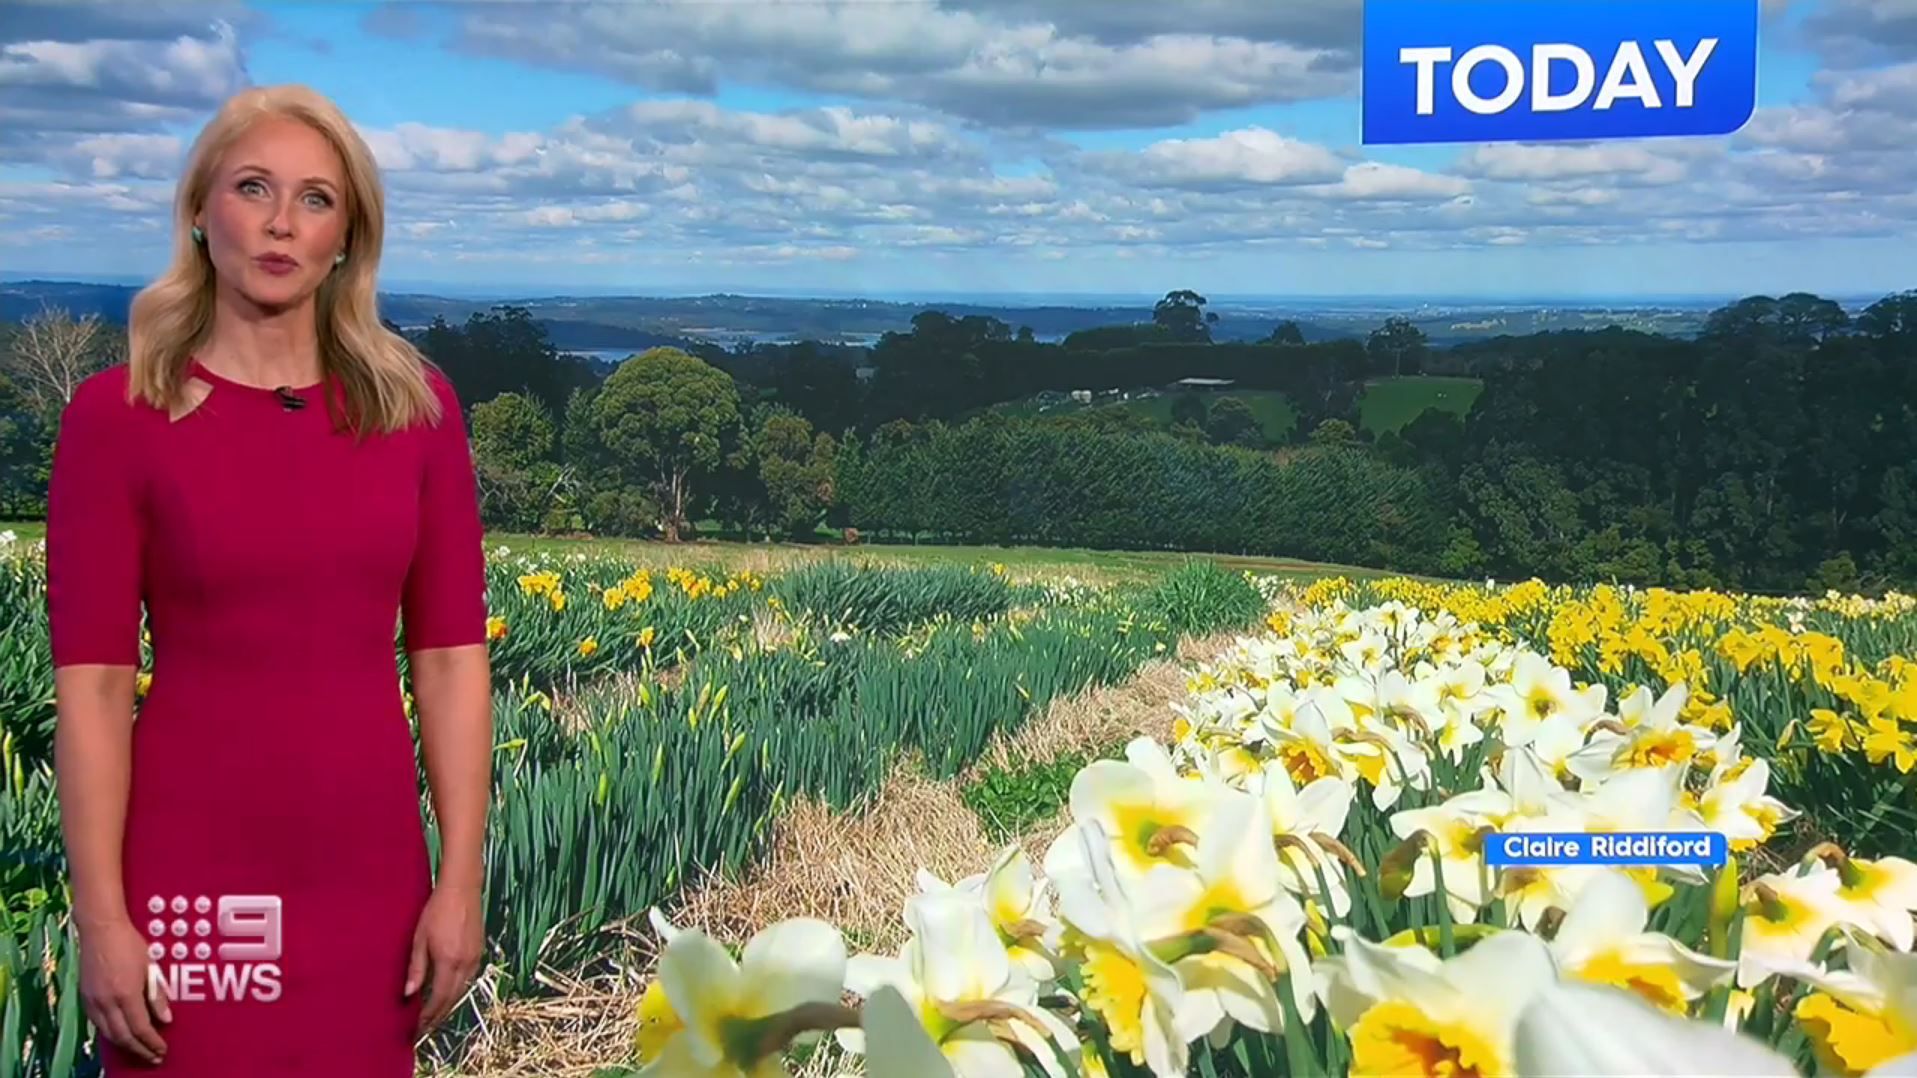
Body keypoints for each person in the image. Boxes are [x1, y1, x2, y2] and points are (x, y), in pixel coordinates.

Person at [45, 84, 494, 1075]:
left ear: (348, 239)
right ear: (201, 213)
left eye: (316, 198)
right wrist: (104, 919)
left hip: (369, 876)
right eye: (254, 188)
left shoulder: (417, 413)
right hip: (194, 877)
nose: (283, 221)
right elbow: (95, 688)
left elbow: (452, 660)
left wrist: (460, 879)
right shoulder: (116, 420)